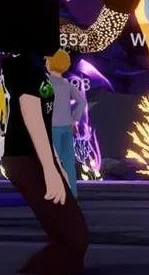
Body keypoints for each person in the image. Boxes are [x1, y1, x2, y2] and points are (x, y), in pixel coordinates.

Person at [0, 0, 88, 274]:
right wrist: (49, 170)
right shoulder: (23, 66)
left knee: (72, 237)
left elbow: (43, 122)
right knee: (72, 237)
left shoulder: (34, 66)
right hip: (24, 158)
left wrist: (56, 165)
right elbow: (31, 115)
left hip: (33, 156)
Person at [45, 50, 88, 199]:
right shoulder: (67, 85)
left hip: (51, 128)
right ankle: (72, 194)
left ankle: (55, 194)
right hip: (67, 127)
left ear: (50, 64)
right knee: (69, 162)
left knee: (52, 162)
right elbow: (82, 101)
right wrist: (74, 119)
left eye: (47, 61)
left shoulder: (46, 85)